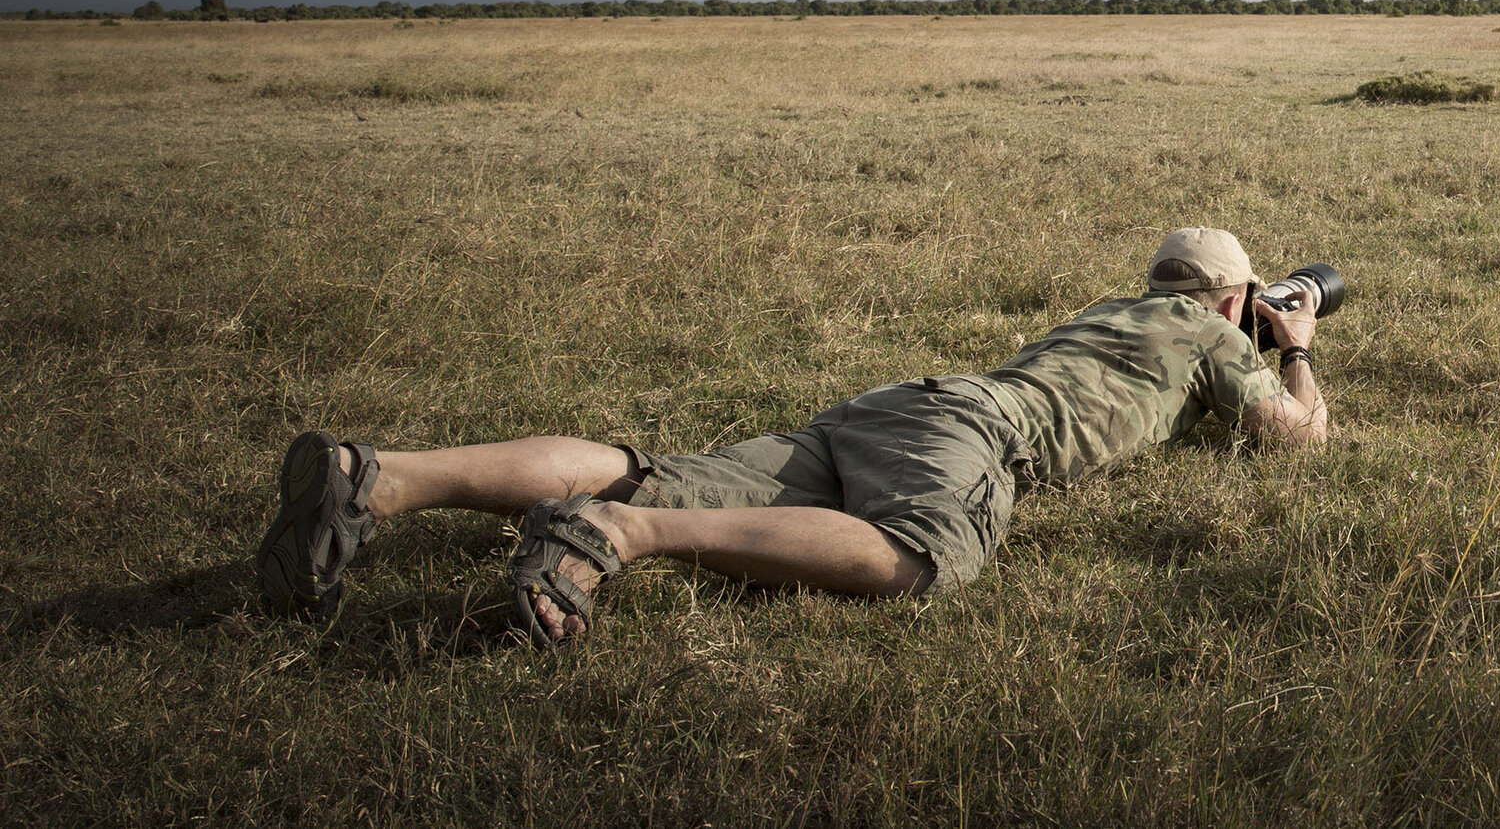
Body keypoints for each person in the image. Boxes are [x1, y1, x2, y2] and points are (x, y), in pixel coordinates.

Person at [254, 227, 1329, 644]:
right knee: (924, 558)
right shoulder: (1211, 333)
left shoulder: (1111, 310)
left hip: (895, 401)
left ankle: (378, 476)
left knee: (653, 467)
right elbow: (1298, 443)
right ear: (1234, 297)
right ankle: (620, 539)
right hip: (975, 433)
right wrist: (1294, 343)